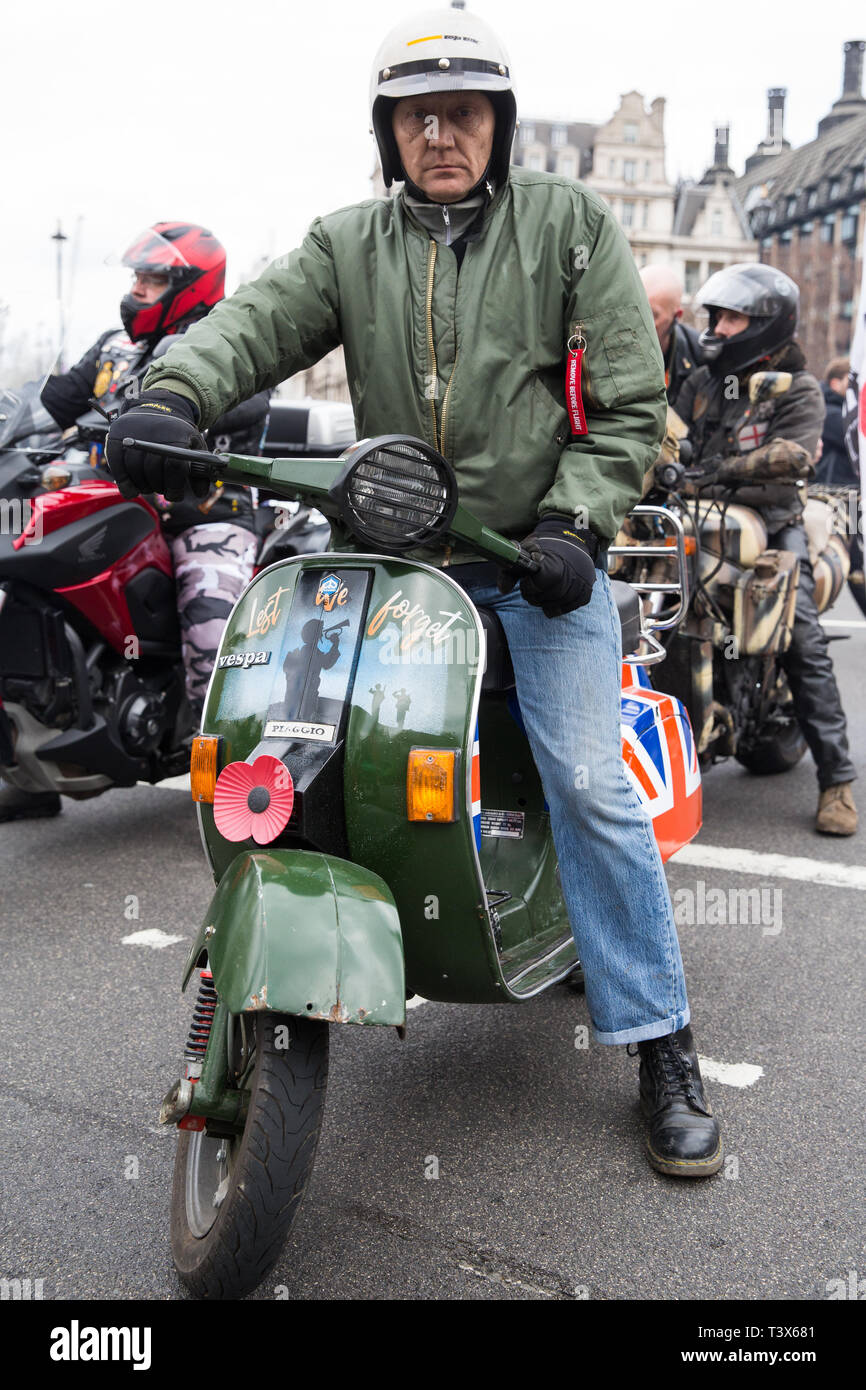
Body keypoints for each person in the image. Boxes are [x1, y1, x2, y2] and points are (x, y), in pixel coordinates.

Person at [106, 8, 724, 1177]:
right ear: (390, 132)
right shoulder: (347, 242)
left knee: (588, 782)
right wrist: (174, 396)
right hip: (403, 569)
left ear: (496, 123)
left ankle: (657, 1041)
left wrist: (574, 523)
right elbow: (250, 326)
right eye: (418, 115)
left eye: (465, 112)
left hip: (542, 564)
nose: (443, 134)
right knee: (296, 747)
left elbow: (630, 401)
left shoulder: (567, 225)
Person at [0, 224, 270, 824]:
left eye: (150, 282)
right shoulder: (112, 349)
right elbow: (50, 402)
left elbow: (248, 402)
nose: (136, 292)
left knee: (209, 629)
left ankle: (236, 791)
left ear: (188, 288)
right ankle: (28, 764)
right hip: (116, 503)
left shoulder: (225, 344)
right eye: (136, 280)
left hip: (206, 514)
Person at [676, 263, 857, 835]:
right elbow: (672, 438)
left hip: (776, 524)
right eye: (716, 315)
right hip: (699, 522)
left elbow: (793, 461)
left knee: (803, 639)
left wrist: (712, 474)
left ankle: (837, 783)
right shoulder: (703, 383)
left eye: (731, 317)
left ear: (764, 324)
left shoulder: (798, 387)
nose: (719, 327)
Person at [640, 264, 704, 410]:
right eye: (634, 310)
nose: (638, 322)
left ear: (677, 316)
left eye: (651, 315)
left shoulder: (699, 356)